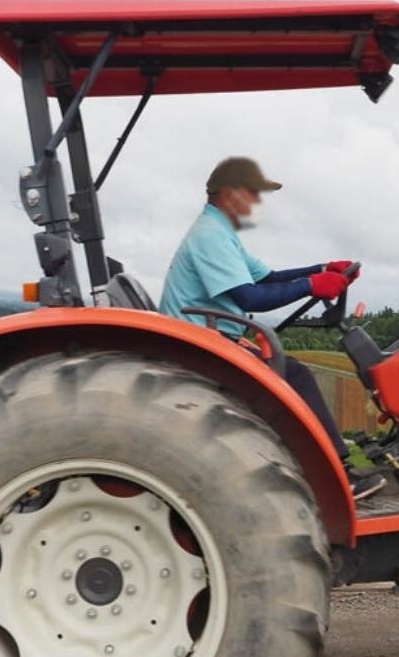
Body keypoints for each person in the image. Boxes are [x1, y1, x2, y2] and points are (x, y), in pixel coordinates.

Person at [160, 156, 386, 500]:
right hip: (202, 342)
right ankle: (339, 476)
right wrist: (313, 285)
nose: (257, 203)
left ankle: (321, 470)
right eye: (252, 194)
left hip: (212, 336)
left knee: (291, 372)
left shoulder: (221, 232)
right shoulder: (210, 236)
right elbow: (250, 297)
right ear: (229, 194)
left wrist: (323, 268)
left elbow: (267, 278)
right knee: (295, 376)